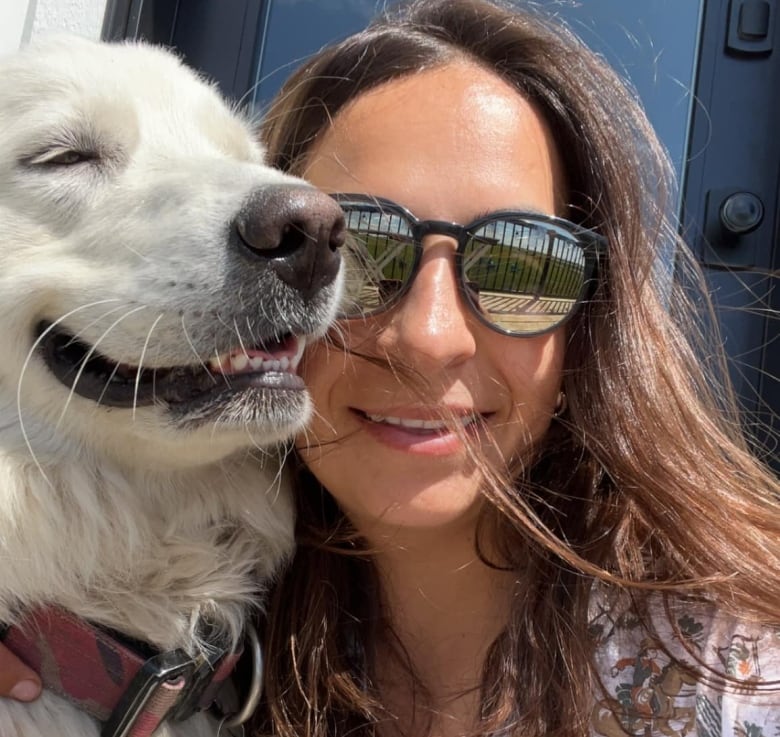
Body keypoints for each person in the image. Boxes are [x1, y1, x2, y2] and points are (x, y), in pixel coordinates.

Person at [2, 1, 779, 736]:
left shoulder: (742, 685)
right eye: (365, 244)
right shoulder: (265, 635)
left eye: (519, 262)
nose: (431, 337)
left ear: (591, 326)